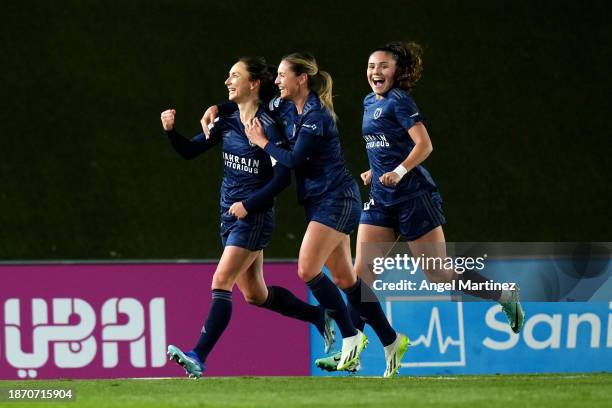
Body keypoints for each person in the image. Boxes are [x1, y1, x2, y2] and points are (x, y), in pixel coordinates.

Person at [205, 52, 409, 377]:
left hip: (337, 198)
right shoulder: (284, 106)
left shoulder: (316, 114)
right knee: (344, 279)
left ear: (301, 79)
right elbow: (249, 103)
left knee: (307, 268)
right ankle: (390, 339)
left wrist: (261, 142)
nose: (277, 81)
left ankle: (351, 336)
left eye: (283, 75)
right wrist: (219, 107)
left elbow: (295, 160)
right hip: (317, 201)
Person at [160, 56, 335, 379]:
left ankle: (198, 355)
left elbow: (283, 177)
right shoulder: (226, 120)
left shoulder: (267, 126)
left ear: (253, 83)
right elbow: (189, 151)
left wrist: (250, 205)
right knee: (256, 295)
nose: (227, 81)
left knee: (220, 281)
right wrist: (171, 131)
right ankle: (318, 314)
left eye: (234, 75)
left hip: (253, 217)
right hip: (230, 215)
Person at [352, 41, 525, 336]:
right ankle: (351, 347)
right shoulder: (369, 102)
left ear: (398, 72)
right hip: (381, 199)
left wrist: (398, 171)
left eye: (383, 66)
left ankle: (504, 295)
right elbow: (387, 145)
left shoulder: (399, 101)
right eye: (371, 66)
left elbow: (424, 145)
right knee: (361, 276)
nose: (375, 72)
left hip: (414, 197)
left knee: (438, 274)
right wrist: (376, 170)